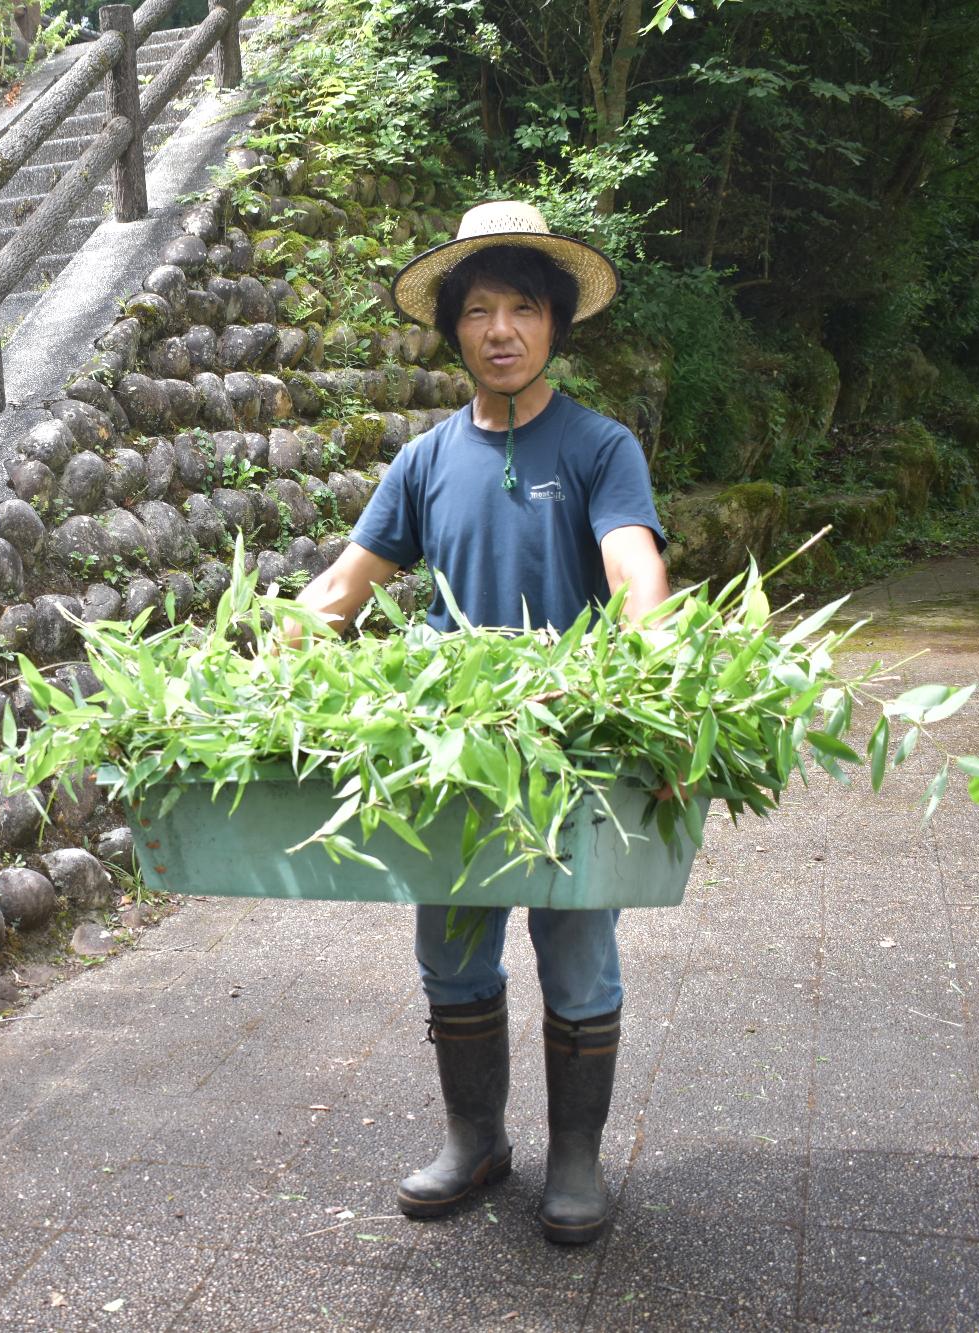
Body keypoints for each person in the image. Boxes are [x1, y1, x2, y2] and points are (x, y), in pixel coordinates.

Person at [291, 201, 670, 1245]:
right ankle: (475, 1140)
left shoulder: (598, 446)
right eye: (478, 311)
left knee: (578, 955)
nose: (499, 329)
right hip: (451, 754)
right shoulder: (422, 462)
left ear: (553, 324)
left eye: (522, 309)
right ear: (452, 330)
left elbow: (632, 563)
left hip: (571, 746)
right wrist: (245, 665)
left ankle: (577, 1160)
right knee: (452, 957)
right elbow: (342, 587)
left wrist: (648, 672)